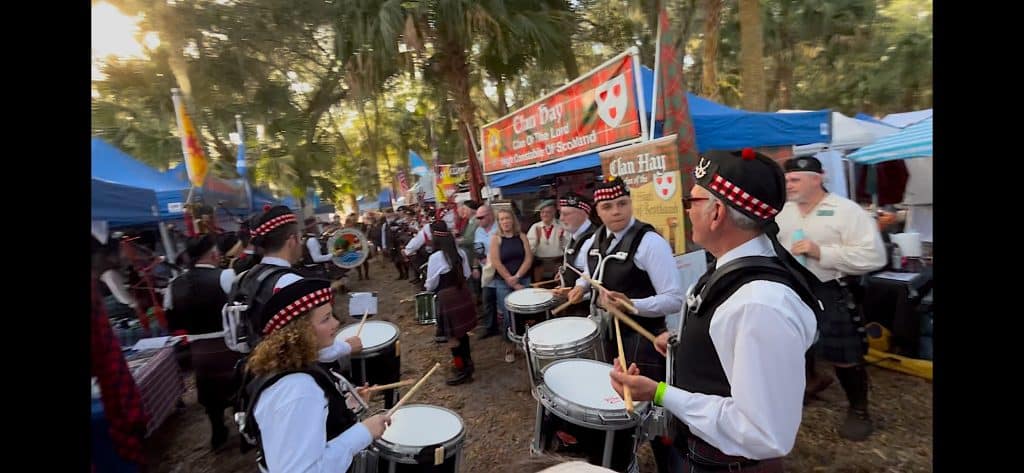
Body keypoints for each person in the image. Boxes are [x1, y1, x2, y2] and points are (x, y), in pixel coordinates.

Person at [608, 149, 821, 472]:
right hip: (700, 450)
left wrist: (661, 392)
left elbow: (763, 433)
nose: (688, 212)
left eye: (691, 202)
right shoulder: (730, 271)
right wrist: (683, 346)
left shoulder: (758, 303)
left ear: (716, 212)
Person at [564, 176, 684, 472]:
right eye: (608, 206)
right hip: (608, 335)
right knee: (616, 404)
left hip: (645, 339)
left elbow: (674, 298)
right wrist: (582, 285)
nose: (617, 210)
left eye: (622, 203)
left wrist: (632, 305)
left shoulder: (650, 243)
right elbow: (592, 273)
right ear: (598, 210)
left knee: (657, 418)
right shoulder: (595, 240)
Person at [775, 156, 887, 441]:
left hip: (830, 289)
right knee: (793, 347)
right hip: (791, 290)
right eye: (787, 179)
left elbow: (874, 256)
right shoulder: (783, 212)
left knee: (844, 354)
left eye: (796, 179)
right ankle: (810, 382)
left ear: (818, 178)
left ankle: (859, 410)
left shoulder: (846, 211)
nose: (789, 184)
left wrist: (822, 253)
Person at [242, 278, 391, 472]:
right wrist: (364, 432)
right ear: (301, 331)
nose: (336, 323)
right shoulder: (297, 389)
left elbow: (303, 428)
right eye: (326, 318)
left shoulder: (287, 364)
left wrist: (343, 407)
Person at [163, 234, 241, 449]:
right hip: (227, 345)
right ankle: (244, 432)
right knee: (237, 390)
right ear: (214, 254)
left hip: (197, 351)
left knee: (209, 393)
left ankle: (218, 433)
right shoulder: (225, 275)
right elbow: (239, 309)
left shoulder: (173, 285)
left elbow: (172, 321)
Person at [424, 220, 478, 385]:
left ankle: (462, 370)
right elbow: (467, 274)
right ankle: (468, 364)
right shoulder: (460, 253)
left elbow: (430, 284)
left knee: (452, 338)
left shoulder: (435, 258)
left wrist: (427, 287)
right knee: (462, 334)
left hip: (447, 299)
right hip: (462, 294)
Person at [490, 207, 534, 363]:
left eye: (507, 218)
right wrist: (510, 279)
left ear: (512, 220)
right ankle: (509, 347)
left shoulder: (521, 236)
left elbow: (528, 258)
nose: (505, 222)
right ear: (499, 223)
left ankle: (524, 343)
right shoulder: (496, 239)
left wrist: (517, 276)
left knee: (525, 314)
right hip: (503, 282)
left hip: (523, 278)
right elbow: (496, 261)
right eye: (501, 219)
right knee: (509, 316)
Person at [552, 192, 597, 317]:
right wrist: (563, 274)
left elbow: (597, 281)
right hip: (573, 305)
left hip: (586, 310)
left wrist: (579, 294)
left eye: (566, 214)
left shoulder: (594, 240)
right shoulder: (574, 235)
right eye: (560, 213)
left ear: (584, 214)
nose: (561, 218)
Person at [473, 204, 501, 339]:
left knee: (502, 300)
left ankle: (506, 327)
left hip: (501, 268)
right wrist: (476, 265)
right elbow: (477, 249)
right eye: (477, 217)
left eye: (481, 217)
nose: (479, 220)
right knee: (487, 300)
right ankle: (491, 327)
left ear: (490, 215)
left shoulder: (499, 227)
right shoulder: (478, 231)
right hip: (487, 271)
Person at [527, 200, 567, 283]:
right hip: (539, 264)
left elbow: (567, 248)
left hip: (557, 263)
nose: (544, 215)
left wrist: (561, 238)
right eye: (542, 212)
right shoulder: (535, 227)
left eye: (548, 212)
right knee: (539, 289)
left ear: (554, 213)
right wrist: (537, 240)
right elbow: (529, 250)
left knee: (559, 287)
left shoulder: (562, 225)